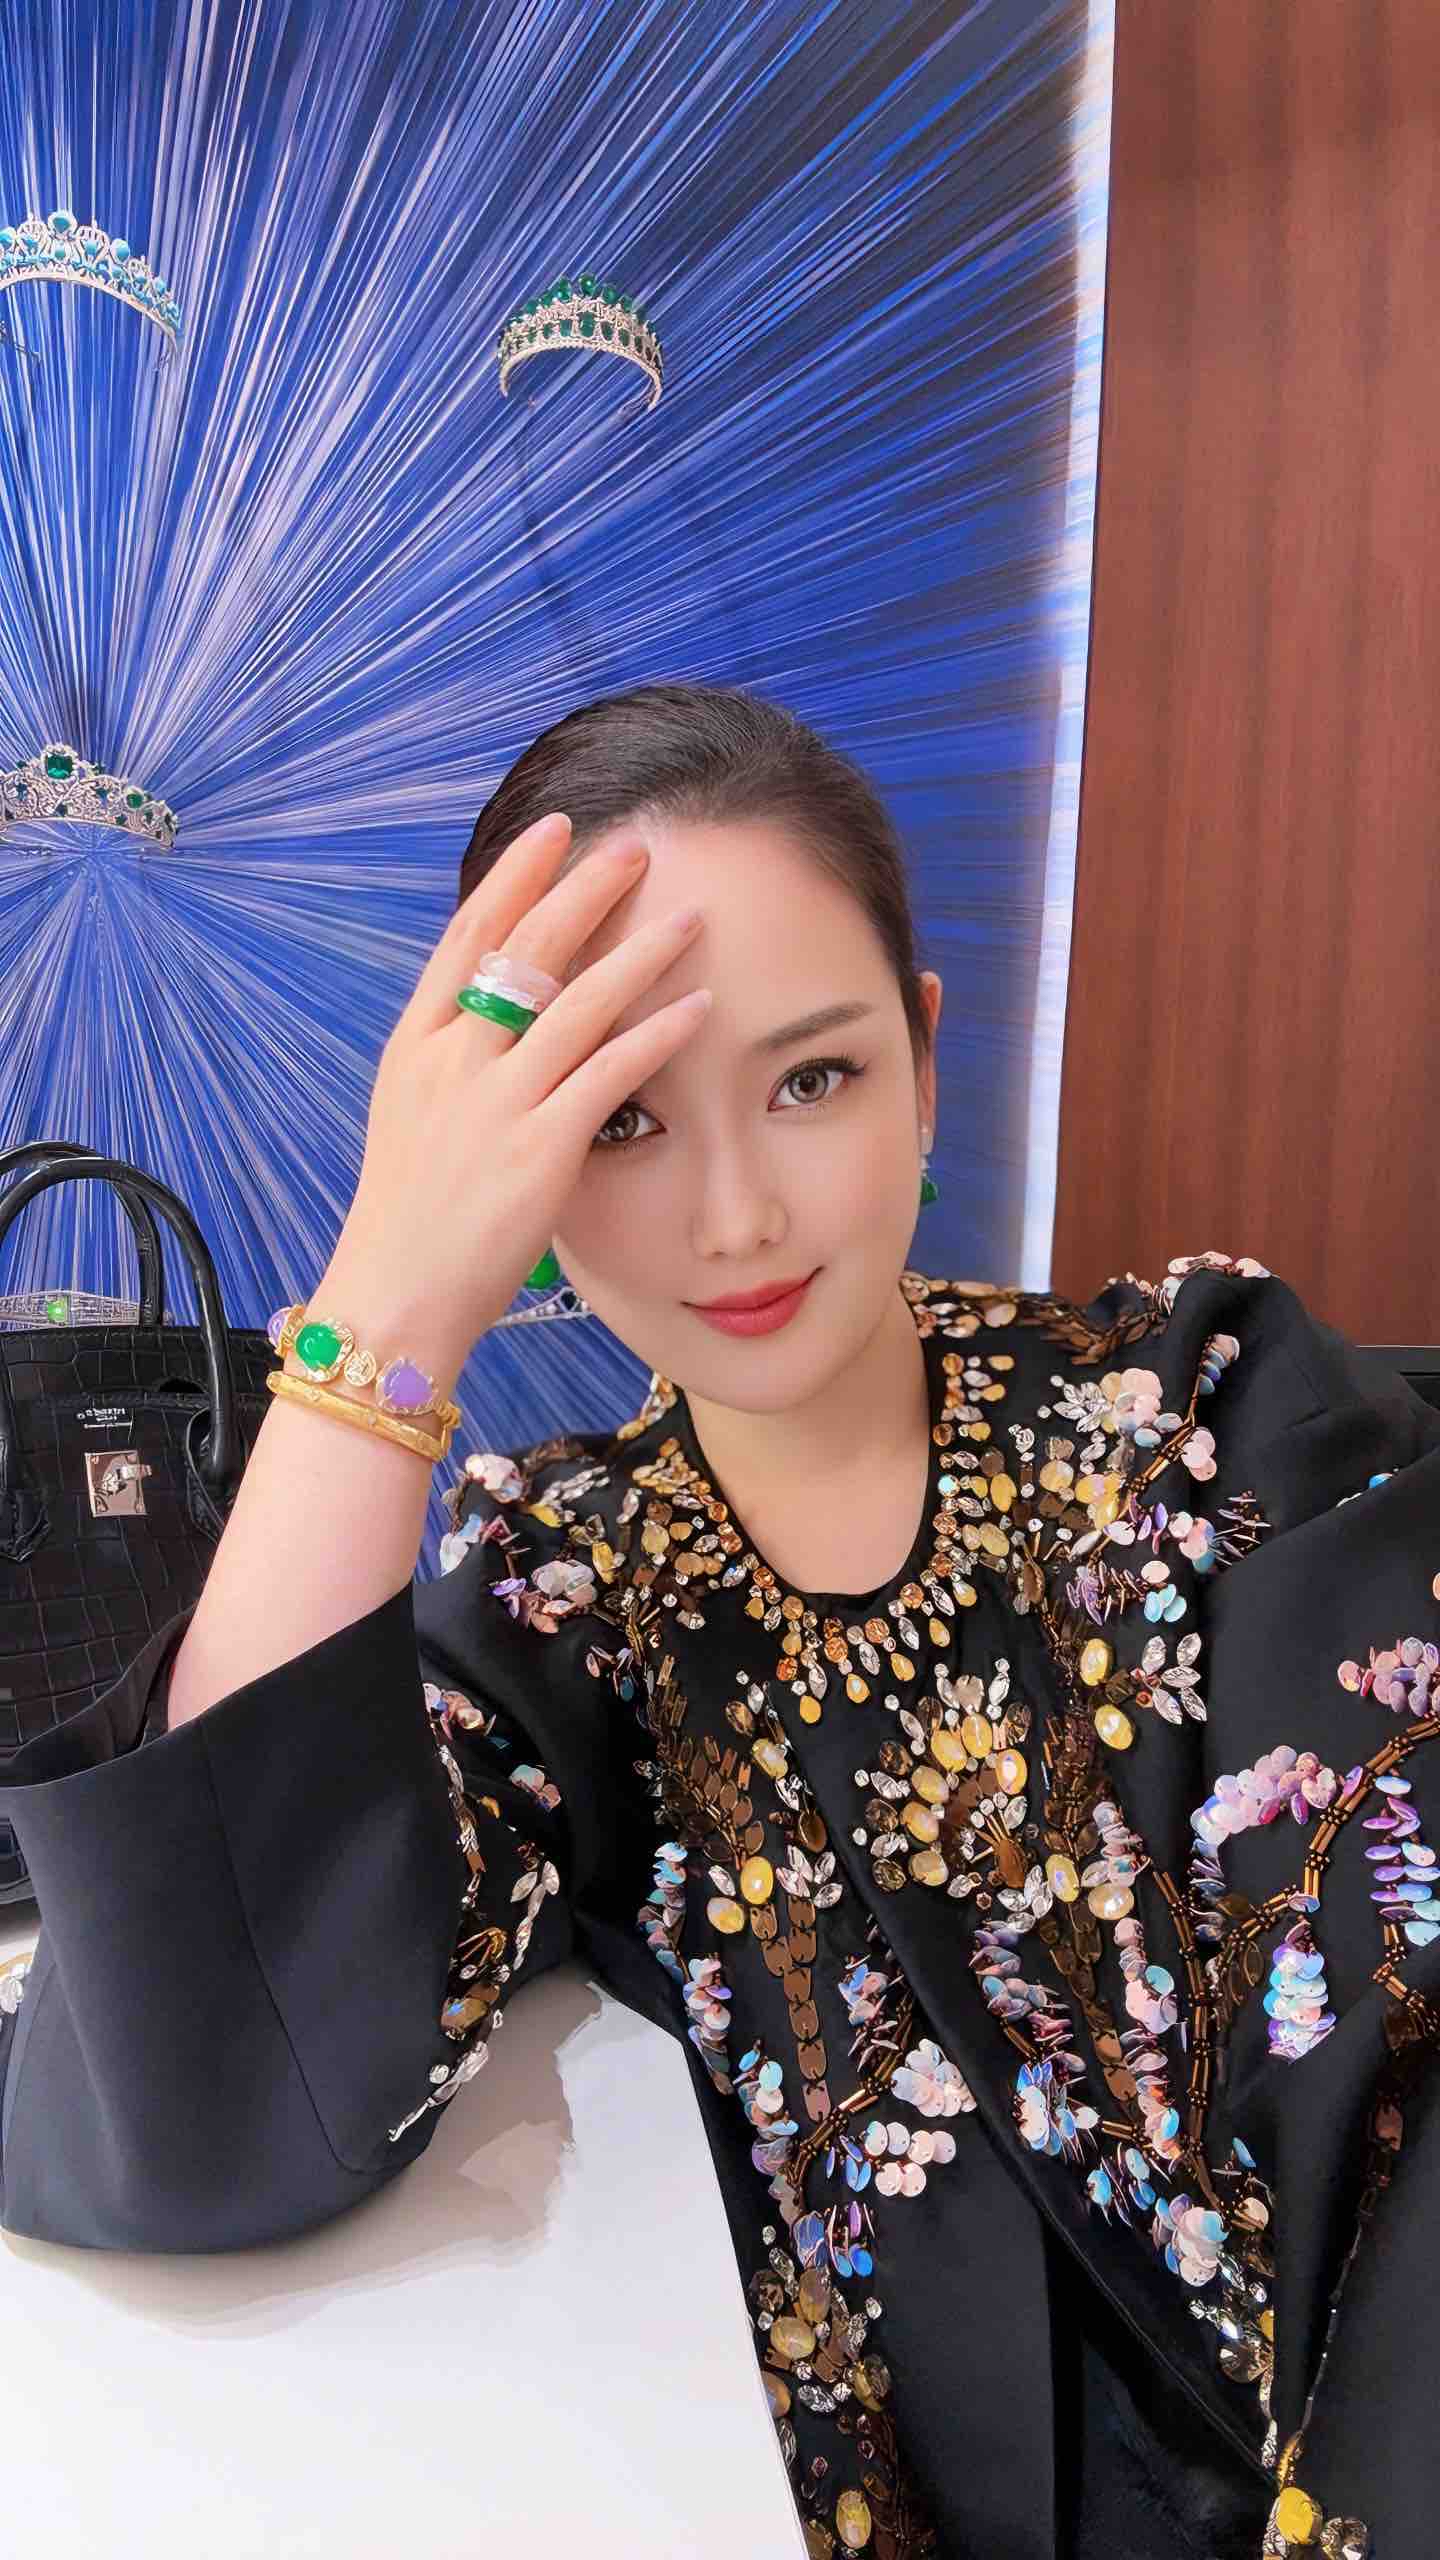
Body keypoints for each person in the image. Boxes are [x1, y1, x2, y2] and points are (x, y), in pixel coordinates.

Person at [0, 684, 1435, 2560]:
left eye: (812, 1080)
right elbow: (204, 2094)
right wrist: (389, 1293)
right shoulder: (566, 1594)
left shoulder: (1207, 1412)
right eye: (619, 1123)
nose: (738, 1215)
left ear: (924, 1059)